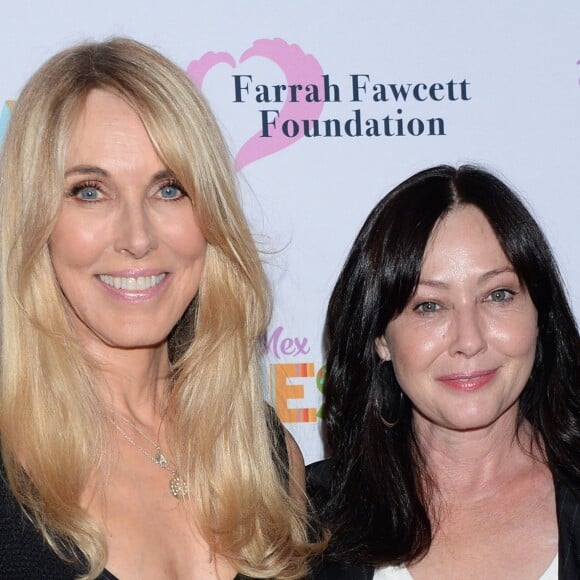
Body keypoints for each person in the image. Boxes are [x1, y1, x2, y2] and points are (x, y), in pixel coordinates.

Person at [0, 38, 318, 579]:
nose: (138, 237)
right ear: (35, 222)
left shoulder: (263, 455)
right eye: (90, 191)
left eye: (169, 189)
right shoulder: (12, 465)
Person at [308, 165, 580, 579]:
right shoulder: (307, 521)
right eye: (429, 306)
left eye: (498, 295)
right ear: (381, 336)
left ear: (540, 317)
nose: (469, 340)